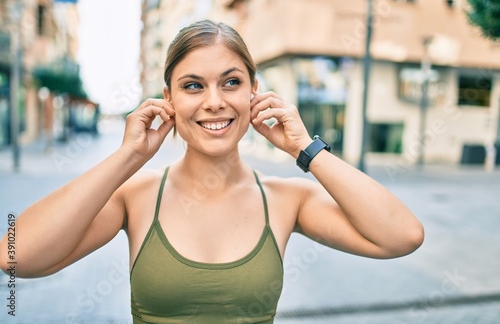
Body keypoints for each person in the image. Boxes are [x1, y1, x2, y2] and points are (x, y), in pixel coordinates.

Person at [0, 20, 424, 323]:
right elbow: (15, 256)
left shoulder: (286, 200)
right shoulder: (135, 197)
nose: (214, 101)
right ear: (168, 97)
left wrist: (306, 148)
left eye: (231, 82)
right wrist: (128, 158)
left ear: (254, 91)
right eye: (193, 85)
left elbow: (401, 236)